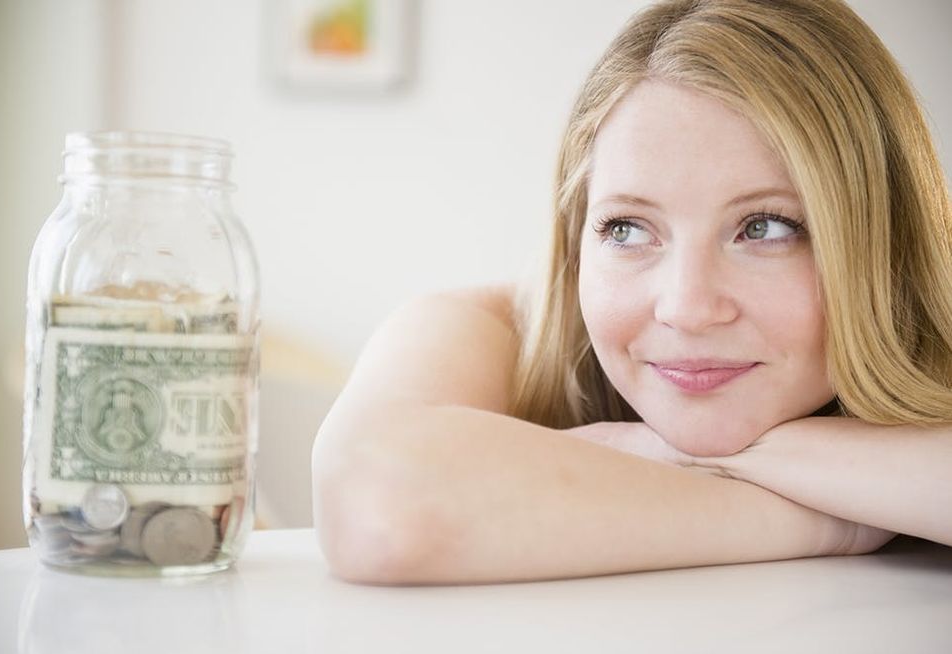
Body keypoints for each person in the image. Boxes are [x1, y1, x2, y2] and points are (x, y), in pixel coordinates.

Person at [311, 0, 952, 585]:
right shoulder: (489, 330)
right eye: (627, 229)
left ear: (885, 242)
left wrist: (706, 459)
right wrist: (831, 519)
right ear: (575, 239)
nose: (687, 308)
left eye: (765, 228)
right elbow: (376, 507)